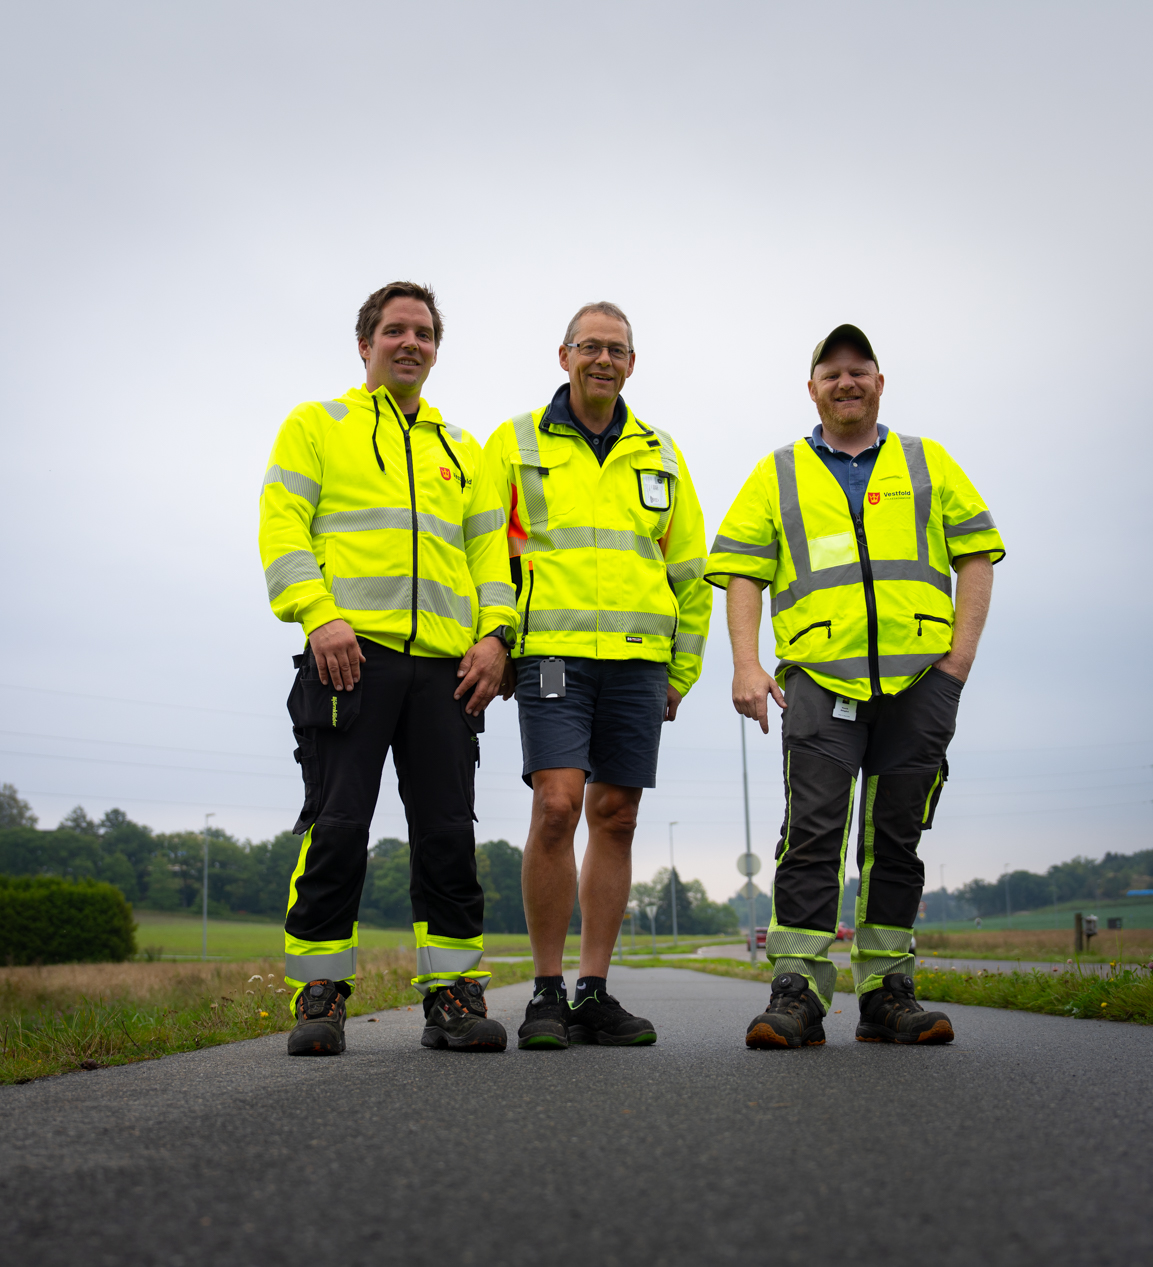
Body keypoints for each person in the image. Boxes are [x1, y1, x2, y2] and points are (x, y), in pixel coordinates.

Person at [705, 324, 1004, 1048]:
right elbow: (742, 569)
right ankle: (798, 989)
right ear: (812, 389)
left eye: (858, 369)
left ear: (878, 381)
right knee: (812, 833)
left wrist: (957, 664)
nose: (846, 381)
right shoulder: (779, 472)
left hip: (920, 683)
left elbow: (977, 555)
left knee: (897, 835)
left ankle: (886, 991)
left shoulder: (926, 462)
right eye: (831, 372)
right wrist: (746, 664)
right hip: (818, 681)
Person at [258, 281, 518, 1056]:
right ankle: (320, 993)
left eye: (426, 333)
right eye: (397, 330)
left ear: (437, 349)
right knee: (337, 826)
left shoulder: (461, 450)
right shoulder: (315, 425)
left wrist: (497, 636)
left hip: (446, 667)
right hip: (348, 657)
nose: (412, 343)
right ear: (365, 343)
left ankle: (452, 995)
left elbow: (490, 557)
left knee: (446, 834)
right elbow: (283, 527)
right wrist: (319, 613)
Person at [481, 301, 711, 1049]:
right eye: (590, 347)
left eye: (616, 349)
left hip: (641, 661)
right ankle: (545, 991)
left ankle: (593, 991)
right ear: (563, 355)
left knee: (617, 814)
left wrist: (683, 667)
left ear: (633, 364)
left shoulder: (664, 453)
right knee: (558, 804)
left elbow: (690, 573)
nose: (603, 360)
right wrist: (500, 637)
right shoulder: (512, 444)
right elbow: (488, 554)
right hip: (551, 653)